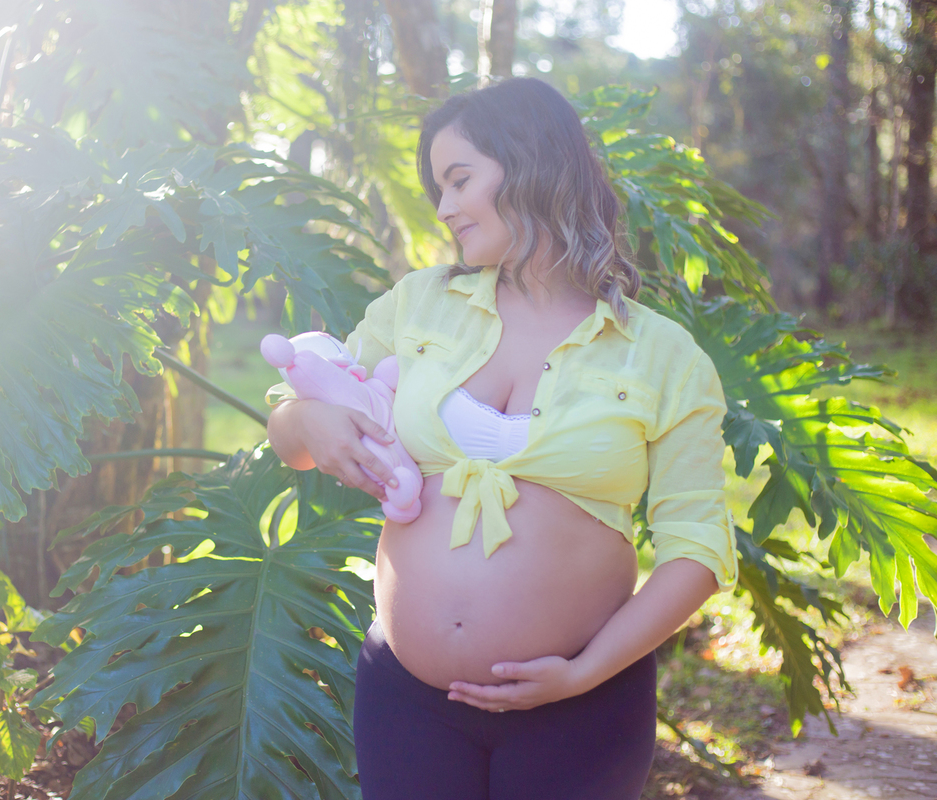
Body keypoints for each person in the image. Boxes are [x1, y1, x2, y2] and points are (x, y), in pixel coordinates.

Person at [265, 77, 736, 800]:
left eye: (460, 180)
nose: (446, 208)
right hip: (406, 698)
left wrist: (583, 672)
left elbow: (698, 545)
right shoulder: (418, 303)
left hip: (581, 704)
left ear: (534, 164)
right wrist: (303, 419)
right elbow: (302, 410)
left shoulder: (663, 356)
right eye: (438, 189)